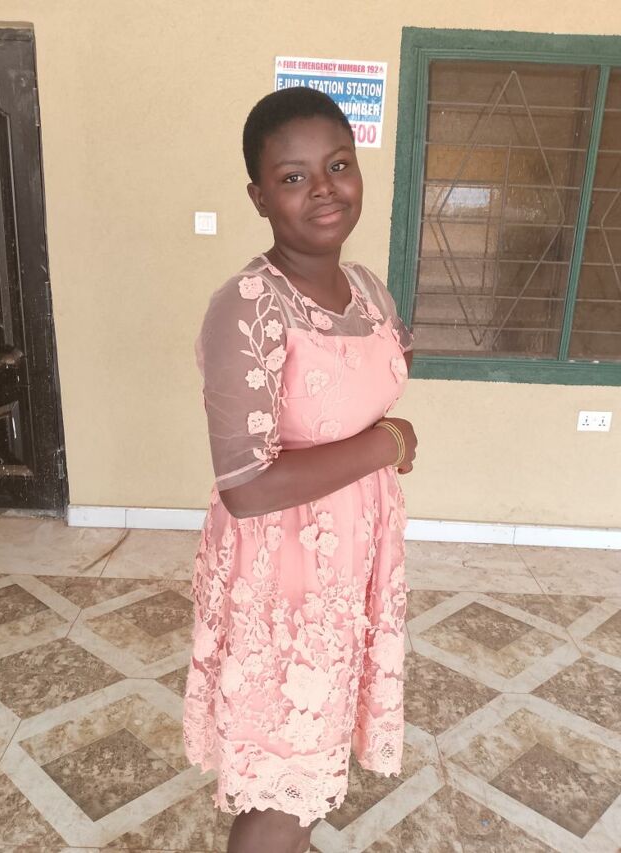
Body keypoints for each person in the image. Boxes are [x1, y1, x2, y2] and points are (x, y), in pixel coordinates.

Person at [183, 86, 418, 853]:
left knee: (315, 758)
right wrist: (387, 443)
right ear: (259, 196)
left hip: (353, 561)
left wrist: (379, 428)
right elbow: (246, 487)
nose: (324, 188)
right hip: (286, 575)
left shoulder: (369, 288)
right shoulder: (248, 306)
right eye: (293, 176)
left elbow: (372, 371)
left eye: (338, 165)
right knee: (282, 779)